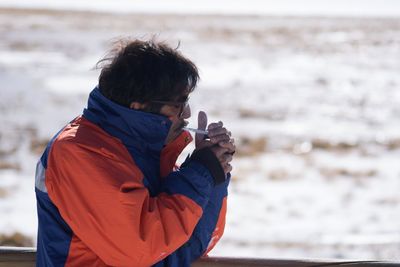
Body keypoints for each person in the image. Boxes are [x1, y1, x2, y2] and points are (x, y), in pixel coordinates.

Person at [35, 38, 235, 267]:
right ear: (139, 106)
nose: (186, 113)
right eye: (178, 104)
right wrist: (201, 172)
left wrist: (213, 173)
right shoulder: (78, 153)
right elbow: (141, 250)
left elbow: (187, 247)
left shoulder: (146, 155)